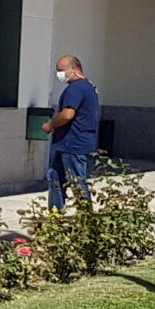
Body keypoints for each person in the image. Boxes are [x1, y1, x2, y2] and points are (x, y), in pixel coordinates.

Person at [47, 54, 101, 209]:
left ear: (75, 69)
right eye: (58, 71)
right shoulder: (88, 86)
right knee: (55, 177)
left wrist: (50, 125)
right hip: (67, 142)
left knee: (76, 181)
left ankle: (85, 216)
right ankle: (55, 213)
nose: (60, 75)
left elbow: (67, 114)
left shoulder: (77, 88)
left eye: (62, 70)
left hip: (72, 143)